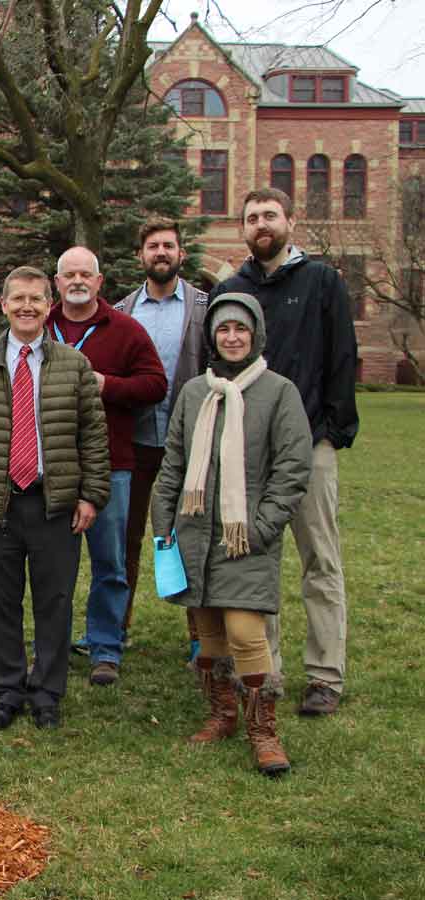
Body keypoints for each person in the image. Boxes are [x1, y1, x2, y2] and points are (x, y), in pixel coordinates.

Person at [0, 265, 110, 731]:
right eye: (18, 299)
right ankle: (8, 688)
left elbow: (93, 438)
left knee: (54, 601)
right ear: (4, 305)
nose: (27, 306)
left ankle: (48, 692)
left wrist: (91, 496)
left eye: (36, 299)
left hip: (53, 502)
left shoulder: (73, 366)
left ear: (48, 305)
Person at [213, 188, 359, 716]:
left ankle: (324, 674)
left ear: (291, 222)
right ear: (243, 229)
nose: (262, 224)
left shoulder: (321, 282)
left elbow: (342, 354)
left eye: (270, 215)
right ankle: (263, 669)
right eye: (252, 218)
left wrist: (332, 431)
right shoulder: (234, 289)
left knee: (320, 560)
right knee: (256, 561)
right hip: (252, 450)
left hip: (311, 443)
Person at [152, 294, 311, 776]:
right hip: (195, 533)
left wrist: (263, 526)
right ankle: (221, 713)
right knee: (210, 636)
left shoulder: (278, 392)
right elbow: (174, 462)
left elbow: (292, 466)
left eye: (242, 328)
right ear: (213, 336)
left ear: (256, 333)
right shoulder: (195, 393)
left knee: (245, 631)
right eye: (224, 329)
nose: (233, 337)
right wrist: (164, 526)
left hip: (246, 536)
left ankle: (263, 731)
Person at [48, 246, 166, 687]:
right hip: (51, 466)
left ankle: (105, 648)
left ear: (99, 283)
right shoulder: (42, 328)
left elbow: (156, 384)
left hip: (111, 465)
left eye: (86, 274)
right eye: (69, 275)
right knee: (53, 564)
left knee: (110, 563)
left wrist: (107, 385)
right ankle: (53, 643)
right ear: (57, 284)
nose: (77, 281)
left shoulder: (125, 330)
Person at [114, 220, 210, 665]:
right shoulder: (122, 313)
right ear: (141, 256)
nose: (161, 252)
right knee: (125, 537)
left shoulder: (204, 309)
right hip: (134, 442)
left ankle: (201, 635)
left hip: (188, 444)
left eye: (168, 246)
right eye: (152, 246)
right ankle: (116, 626)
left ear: (181, 254)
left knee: (190, 538)